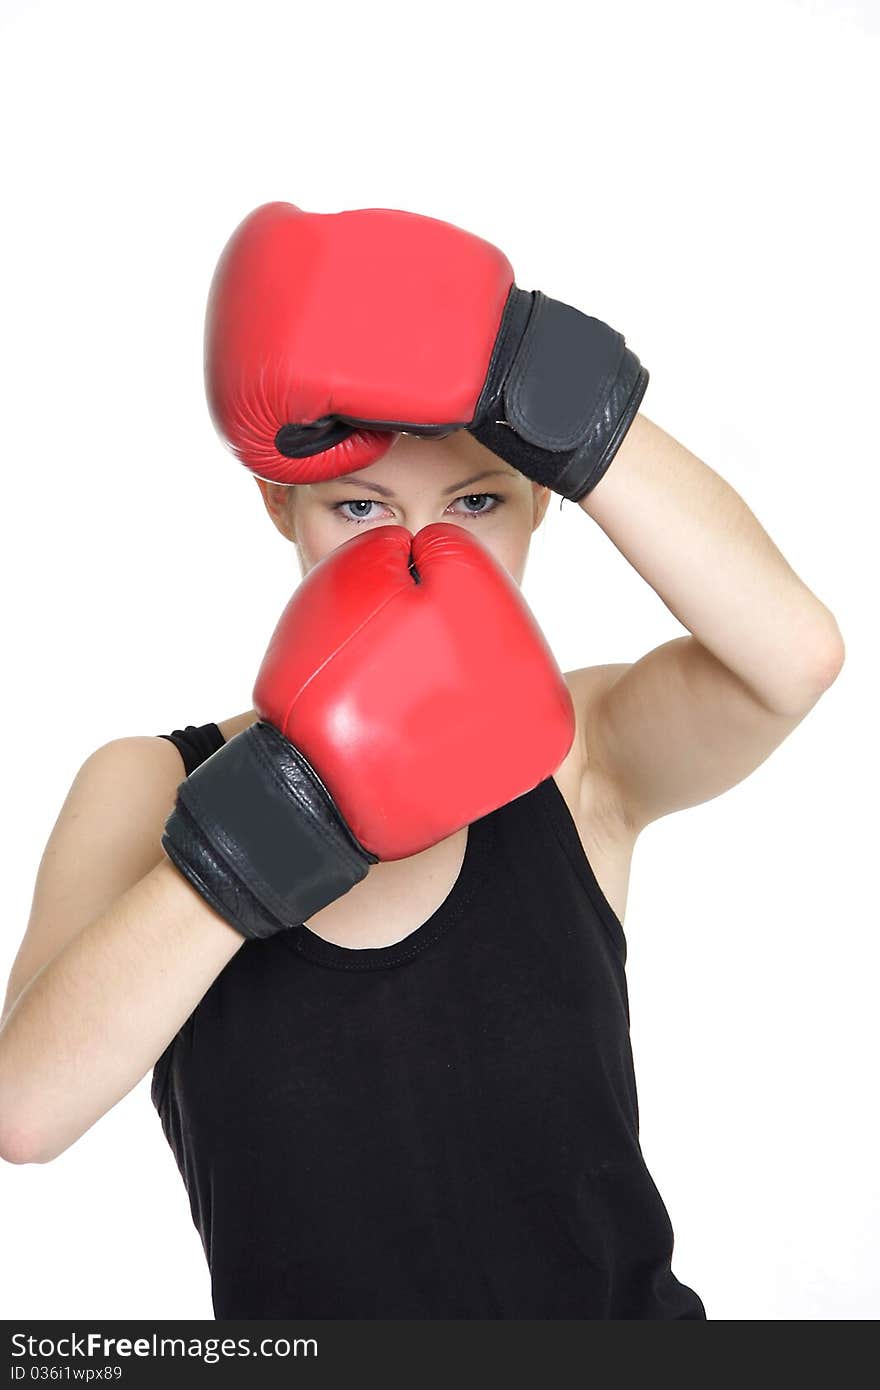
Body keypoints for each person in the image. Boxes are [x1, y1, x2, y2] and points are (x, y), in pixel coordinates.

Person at [0, 212, 845, 1320]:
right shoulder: (150, 786)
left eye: (478, 503)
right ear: (281, 505)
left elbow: (795, 656)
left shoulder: (579, 752)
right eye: (360, 506)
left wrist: (542, 377)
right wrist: (286, 808)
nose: (418, 549)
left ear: (543, 501)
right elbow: (26, 1111)